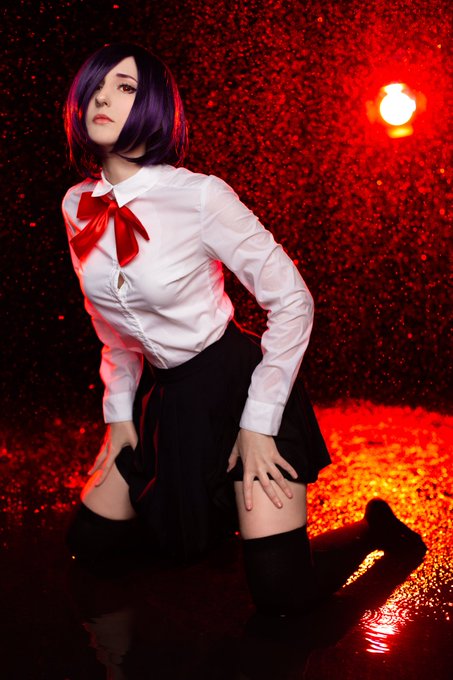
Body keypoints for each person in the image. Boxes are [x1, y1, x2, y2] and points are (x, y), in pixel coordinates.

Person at [62, 43, 426, 615]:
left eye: (125, 88)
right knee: (91, 547)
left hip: (238, 386)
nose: (103, 99)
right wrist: (119, 416)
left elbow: (293, 301)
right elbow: (112, 329)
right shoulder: (76, 205)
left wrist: (259, 423)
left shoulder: (200, 195)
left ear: (153, 105)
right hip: (166, 394)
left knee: (282, 597)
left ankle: (378, 534)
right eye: (95, 88)